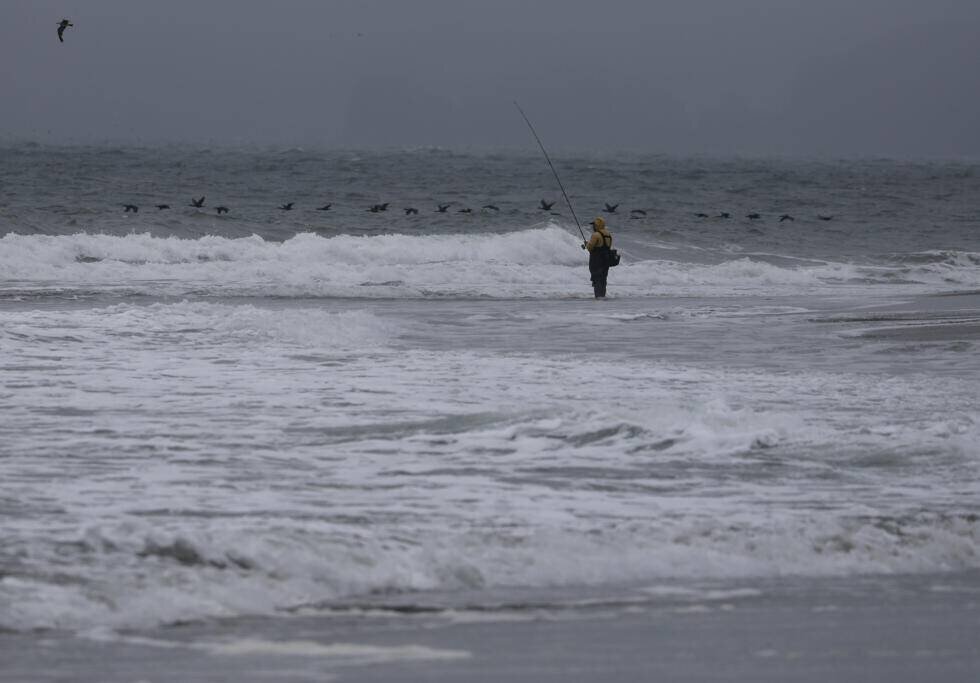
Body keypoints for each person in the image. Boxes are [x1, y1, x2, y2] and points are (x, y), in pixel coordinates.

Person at [583, 216, 613, 298]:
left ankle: (598, 298)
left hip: (597, 261)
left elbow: (590, 248)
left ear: (597, 225)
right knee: (603, 280)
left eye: (594, 225)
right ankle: (602, 297)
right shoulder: (608, 235)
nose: (593, 227)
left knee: (597, 280)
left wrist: (586, 244)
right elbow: (608, 247)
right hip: (606, 261)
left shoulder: (595, 235)